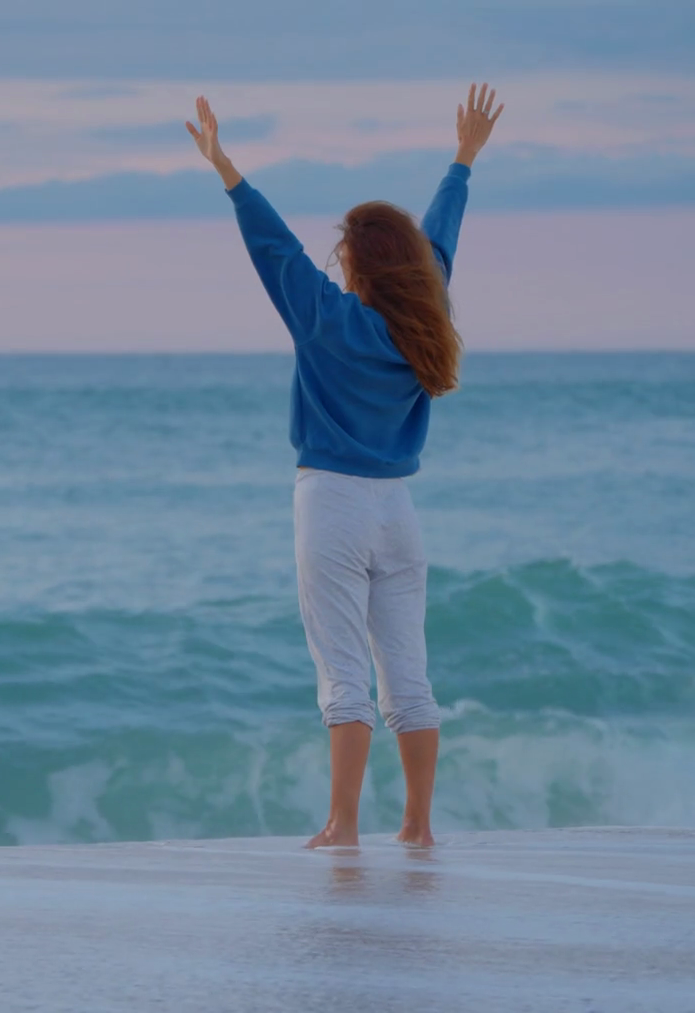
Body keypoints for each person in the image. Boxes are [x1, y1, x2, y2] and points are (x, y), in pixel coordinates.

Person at [187, 84, 503, 848]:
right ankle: (420, 826)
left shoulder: (328, 319)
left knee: (343, 673)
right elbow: (440, 245)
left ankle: (342, 825)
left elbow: (273, 248)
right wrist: (463, 160)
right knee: (410, 676)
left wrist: (226, 168)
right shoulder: (422, 326)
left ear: (357, 263)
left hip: (330, 503)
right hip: (399, 512)